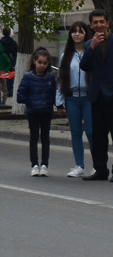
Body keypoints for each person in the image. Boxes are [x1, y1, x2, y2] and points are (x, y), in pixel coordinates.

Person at [79, 9, 113, 182]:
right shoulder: (89, 45)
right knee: (98, 136)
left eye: (102, 21)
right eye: (95, 22)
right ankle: (100, 169)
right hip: (97, 95)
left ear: (108, 23)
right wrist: (93, 46)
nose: (99, 25)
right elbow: (84, 66)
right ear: (91, 25)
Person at [55, 21, 94, 177]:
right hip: (71, 99)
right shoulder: (66, 56)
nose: (77, 34)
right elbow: (61, 79)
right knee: (76, 133)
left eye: (81, 31)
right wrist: (59, 101)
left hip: (88, 98)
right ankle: (79, 166)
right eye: (74, 32)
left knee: (91, 133)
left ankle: (97, 165)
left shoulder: (91, 52)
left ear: (86, 34)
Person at [17, 48, 58, 176]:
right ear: (34, 61)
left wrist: (59, 106)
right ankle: (34, 165)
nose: (42, 65)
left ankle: (44, 165)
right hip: (33, 112)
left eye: (45, 63)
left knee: (45, 138)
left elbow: (55, 95)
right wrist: (31, 101)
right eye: (39, 62)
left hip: (46, 112)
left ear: (48, 64)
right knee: (34, 138)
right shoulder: (28, 76)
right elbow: (20, 96)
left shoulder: (50, 77)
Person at [0, 26, 17, 105]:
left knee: (2, 82)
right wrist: (14, 63)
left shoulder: (0, 42)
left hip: (1, 65)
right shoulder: (13, 43)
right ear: (10, 33)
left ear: (3, 33)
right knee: (9, 78)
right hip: (10, 63)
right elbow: (15, 54)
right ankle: (9, 91)